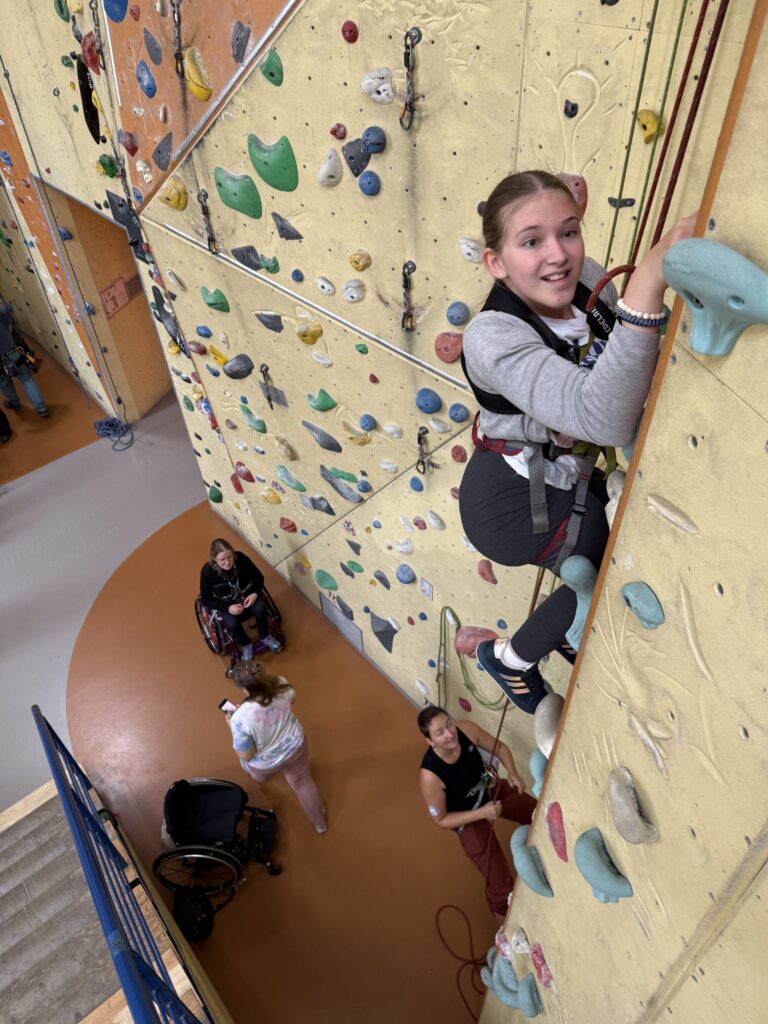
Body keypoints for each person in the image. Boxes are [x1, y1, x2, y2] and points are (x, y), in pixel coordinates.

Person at [459, 170, 695, 712]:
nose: (558, 255)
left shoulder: (586, 279)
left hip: (560, 471)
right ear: (496, 262)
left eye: (568, 231)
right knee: (603, 563)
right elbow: (603, 417)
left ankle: (550, 638)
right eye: (531, 241)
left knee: (591, 566)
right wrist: (646, 287)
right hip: (510, 503)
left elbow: (620, 366)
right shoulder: (491, 336)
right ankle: (509, 658)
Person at [418, 706, 536, 921]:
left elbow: (499, 748)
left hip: (490, 790)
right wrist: (482, 813)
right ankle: (505, 929)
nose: (449, 733)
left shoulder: (466, 730)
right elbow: (441, 820)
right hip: (468, 818)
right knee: (502, 888)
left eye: (449, 724)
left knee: (536, 812)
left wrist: (512, 771)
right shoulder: (430, 777)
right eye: (439, 733)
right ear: (430, 741)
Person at [226, 661, 327, 833]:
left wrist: (231, 725)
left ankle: (260, 777)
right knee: (304, 784)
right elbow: (292, 697)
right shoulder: (281, 684)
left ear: (245, 690)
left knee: (248, 767)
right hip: (296, 746)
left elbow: (247, 755)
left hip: (267, 764)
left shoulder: (239, 718)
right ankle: (320, 824)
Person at [200, 538, 282, 658]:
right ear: (214, 559)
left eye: (230, 557)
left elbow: (258, 577)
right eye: (222, 560)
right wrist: (228, 608)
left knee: (261, 608)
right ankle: (246, 644)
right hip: (226, 603)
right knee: (232, 624)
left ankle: (265, 636)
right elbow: (206, 599)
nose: (227, 562)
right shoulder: (207, 571)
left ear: (233, 554)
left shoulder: (241, 558)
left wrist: (254, 594)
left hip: (247, 595)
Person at [0, 306, 48, 417]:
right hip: (11, 351)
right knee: (27, 379)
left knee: (4, 383)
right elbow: (10, 327)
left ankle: (14, 402)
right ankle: (42, 408)